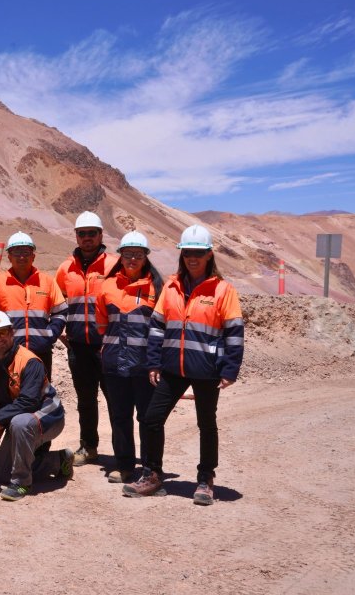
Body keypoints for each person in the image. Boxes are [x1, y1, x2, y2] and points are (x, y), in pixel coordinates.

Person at [123, 225, 244, 506]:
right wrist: (154, 363)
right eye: (187, 252)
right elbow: (157, 327)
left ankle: (205, 479)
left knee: (206, 423)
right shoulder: (171, 286)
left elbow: (234, 333)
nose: (192, 258)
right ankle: (152, 475)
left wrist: (230, 369)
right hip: (172, 368)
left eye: (198, 253)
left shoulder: (223, 290)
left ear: (209, 255)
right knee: (151, 418)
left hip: (207, 369)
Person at [0, 310, 72, 501]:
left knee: (20, 423)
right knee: (4, 473)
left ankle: (21, 482)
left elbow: (29, 402)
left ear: (12, 332)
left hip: (49, 418)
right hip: (18, 420)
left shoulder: (29, 361)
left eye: (3, 332)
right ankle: (58, 460)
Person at [95, 231, 163, 484]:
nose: (132, 259)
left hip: (147, 367)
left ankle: (149, 468)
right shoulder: (107, 286)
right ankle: (124, 466)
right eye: (128, 254)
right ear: (120, 257)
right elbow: (102, 325)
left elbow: (163, 328)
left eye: (138, 254)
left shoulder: (158, 288)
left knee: (148, 418)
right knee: (120, 417)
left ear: (146, 257)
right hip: (114, 364)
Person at [54, 211, 117, 467]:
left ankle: (122, 453)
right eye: (82, 233)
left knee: (116, 400)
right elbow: (57, 302)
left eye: (92, 233)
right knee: (86, 401)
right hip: (78, 347)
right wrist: (62, 331)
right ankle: (88, 447)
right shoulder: (65, 268)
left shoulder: (114, 266)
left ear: (101, 235)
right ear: (76, 236)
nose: (87, 238)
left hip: (108, 347)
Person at [0, 231, 66, 379]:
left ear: (33, 256)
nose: (21, 256)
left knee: (41, 390)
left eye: (26, 252)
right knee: (9, 390)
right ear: (9, 257)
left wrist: (51, 334)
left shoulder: (47, 282)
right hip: (8, 353)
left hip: (41, 352)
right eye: (16, 252)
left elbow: (61, 312)